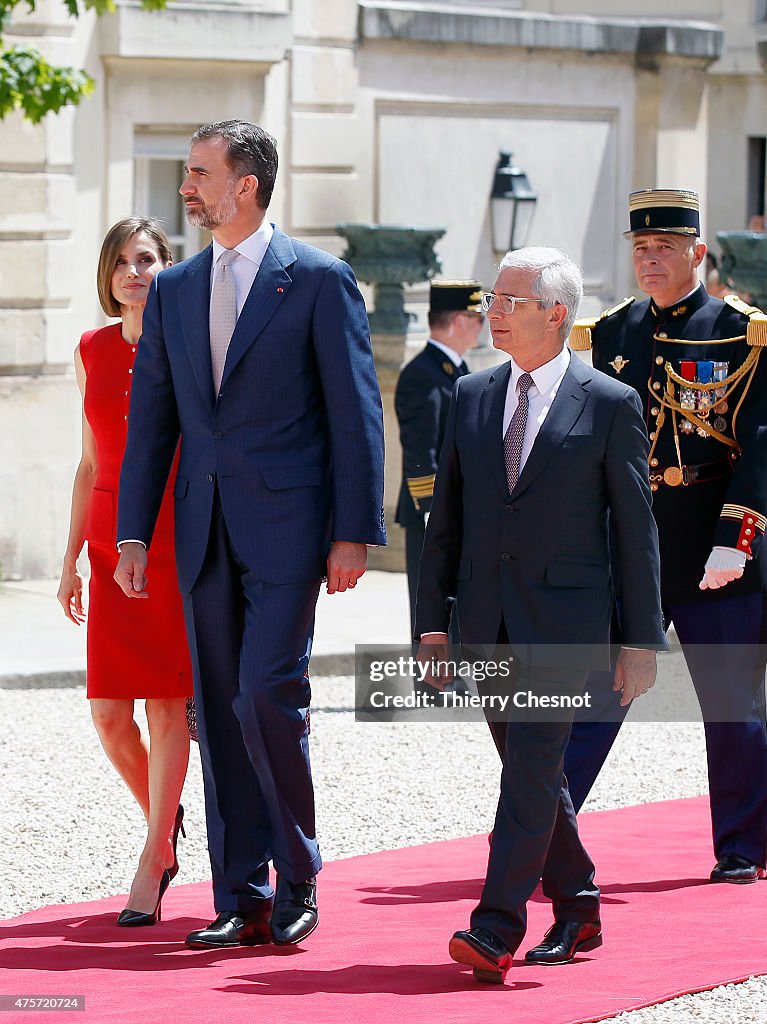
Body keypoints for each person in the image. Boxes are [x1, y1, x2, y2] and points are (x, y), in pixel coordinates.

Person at [114, 120, 386, 950]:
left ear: (247, 185)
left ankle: (297, 874)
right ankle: (240, 893)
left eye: (199, 173)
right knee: (216, 713)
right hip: (201, 530)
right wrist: (131, 535)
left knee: (266, 694)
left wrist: (353, 532)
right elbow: (152, 422)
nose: (187, 187)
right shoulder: (175, 288)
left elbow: (354, 411)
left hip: (290, 530)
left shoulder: (316, 278)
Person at [415, 247, 665, 983]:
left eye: (510, 300)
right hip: (486, 620)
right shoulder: (471, 396)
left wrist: (640, 639)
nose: (492, 310)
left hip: (566, 624)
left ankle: (495, 927)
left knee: (527, 770)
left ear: (555, 313)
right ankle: (580, 899)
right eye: (493, 297)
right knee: (533, 773)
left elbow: (635, 530)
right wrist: (432, 625)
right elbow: (446, 523)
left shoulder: (611, 403)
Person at [565, 188, 767, 884]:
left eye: (665, 248)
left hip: (712, 546)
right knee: (597, 693)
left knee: (729, 703)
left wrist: (733, 538)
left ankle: (741, 847)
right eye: (639, 248)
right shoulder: (611, 331)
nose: (649, 259)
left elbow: (761, 445)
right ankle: (545, 834)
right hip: (633, 545)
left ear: (696, 253)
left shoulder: (741, 332)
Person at [57, 218, 192, 927]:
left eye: (147, 259)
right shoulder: (88, 349)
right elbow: (87, 463)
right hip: (109, 548)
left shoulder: (191, 347)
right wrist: (70, 559)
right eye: (121, 263)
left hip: (172, 540)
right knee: (109, 714)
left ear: (168, 268)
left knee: (166, 705)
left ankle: (149, 860)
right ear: (107, 277)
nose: (134, 273)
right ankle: (163, 827)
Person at [394, 280, 483, 636]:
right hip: (432, 515)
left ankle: (454, 690)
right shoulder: (423, 374)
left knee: (457, 613)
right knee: (432, 615)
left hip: (457, 511)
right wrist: (433, 509)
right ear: (460, 321)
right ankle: (432, 693)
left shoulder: (457, 370)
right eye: (478, 319)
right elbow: (420, 448)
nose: (483, 327)